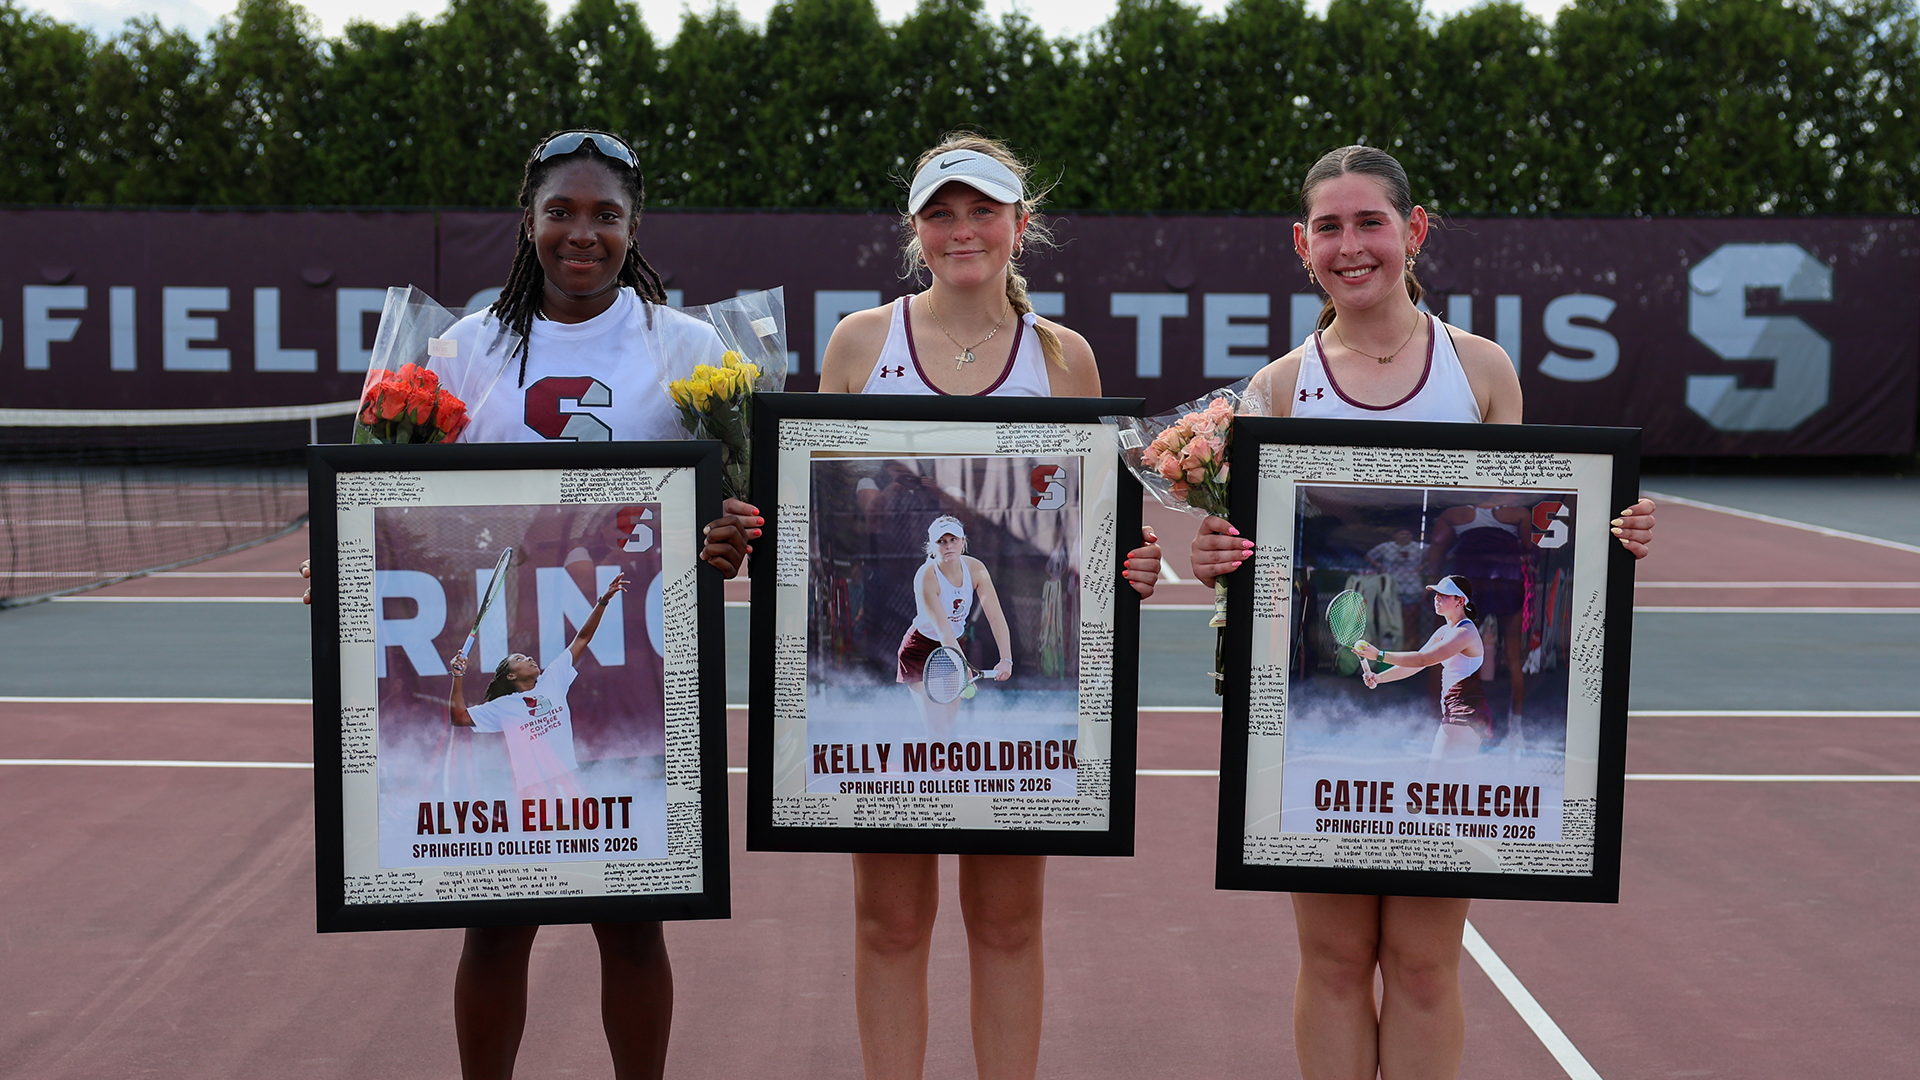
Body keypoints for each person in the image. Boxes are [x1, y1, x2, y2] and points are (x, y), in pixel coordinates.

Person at [1189, 144, 1656, 1080]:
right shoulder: (1277, 389)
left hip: (1444, 689)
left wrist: (1610, 532)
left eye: (1371, 223)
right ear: (1300, 244)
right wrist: (1216, 560)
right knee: (1330, 962)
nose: (1351, 245)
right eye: (1330, 227)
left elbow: (1520, 530)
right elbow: (1259, 557)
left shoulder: (1480, 371)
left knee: (1423, 963)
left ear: (1415, 231)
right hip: (1321, 699)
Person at [307, 129, 758, 1080]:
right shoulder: (465, 348)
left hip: (639, 665)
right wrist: (353, 554)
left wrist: (728, 540)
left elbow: (722, 514)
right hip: (513, 649)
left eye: (605, 215)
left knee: (633, 926)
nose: (581, 233)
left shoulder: (689, 348)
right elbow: (412, 509)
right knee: (497, 923)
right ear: (529, 221)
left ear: (636, 229)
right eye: (562, 212)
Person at [807, 133, 1159, 1080]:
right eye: (940, 213)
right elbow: (826, 517)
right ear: (915, 229)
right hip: (889, 659)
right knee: (889, 924)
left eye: (982, 211)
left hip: (1018, 702)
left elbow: (1086, 531)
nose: (962, 230)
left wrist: (1128, 566)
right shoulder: (858, 343)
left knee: (1006, 925)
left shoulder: (1065, 357)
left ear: (1020, 224)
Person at [447, 572, 627, 802]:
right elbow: (458, 717)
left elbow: (582, 638)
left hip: (569, 780)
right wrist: (458, 675)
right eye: (520, 659)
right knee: (538, 839)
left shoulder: (553, 678)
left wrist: (603, 601)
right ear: (511, 675)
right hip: (532, 792)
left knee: (586, 835)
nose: (529, 658)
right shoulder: (502, 706)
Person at [1351, 576, 1490, 765]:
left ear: (1461, 601)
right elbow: (1418, 663)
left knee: (1436, 783)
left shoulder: (1464, 633)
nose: (1437, 598)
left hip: (1463, 715)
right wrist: (1378, 678)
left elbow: (1424, 659)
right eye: (1436, 594)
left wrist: (1379, 655)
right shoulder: (1444, 631)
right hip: (1463, 716)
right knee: (1453, 786)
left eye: (1444, 595)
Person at [897, 515, 1013, 726]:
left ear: (963, 542)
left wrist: (1007, 658)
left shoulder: (976, 569)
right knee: (935, 721)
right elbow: (943, 632)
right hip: (920, 650)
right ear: (932, 546)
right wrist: (963, 668)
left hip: (952, 649)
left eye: (953, 540)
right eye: (942, 541)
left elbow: (996, 616)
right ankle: (929, 758)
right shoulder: (926, 576)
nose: (948, 546)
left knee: (949, 719)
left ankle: (940, 758)